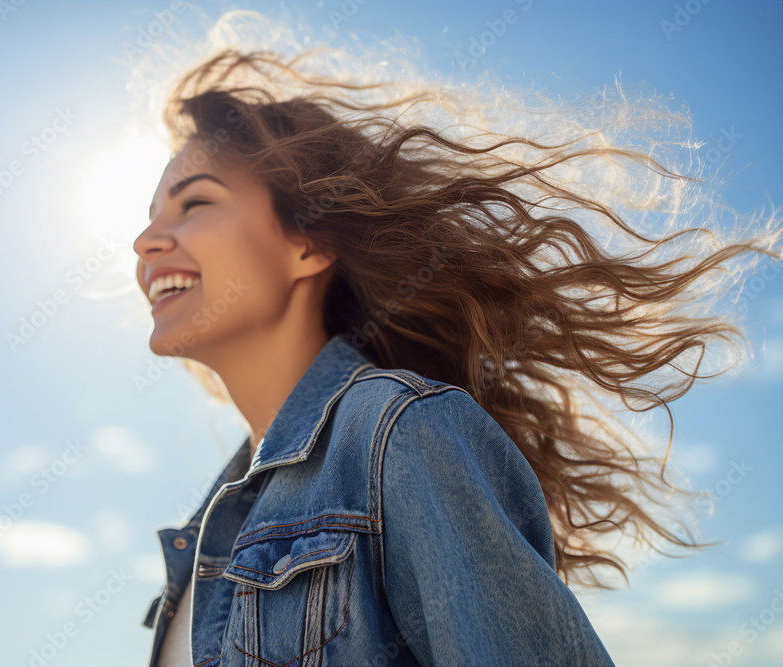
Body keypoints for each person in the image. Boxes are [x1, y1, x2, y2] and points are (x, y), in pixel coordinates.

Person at [134, 46, 781, 666]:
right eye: (151, 213)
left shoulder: (397, 434)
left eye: (195, 203)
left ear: (310, 242)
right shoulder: (202, 536)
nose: (145, 240)